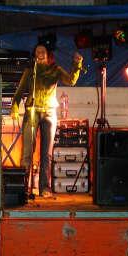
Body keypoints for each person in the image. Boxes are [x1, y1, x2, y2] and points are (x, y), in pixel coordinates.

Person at [11, 44, 83, 198]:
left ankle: (45, 187)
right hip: (32, 111)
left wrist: (77, 65)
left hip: (49, 112)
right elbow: (19, 91)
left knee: (47, 154)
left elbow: (71, 81)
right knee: (27, 152)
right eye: (38, 51)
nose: (40, 53)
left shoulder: (55, 69)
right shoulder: (31, 71)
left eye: (43, 51)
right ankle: (23, 187)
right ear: (34, 55)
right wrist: (14, 108)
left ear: (48, 54)